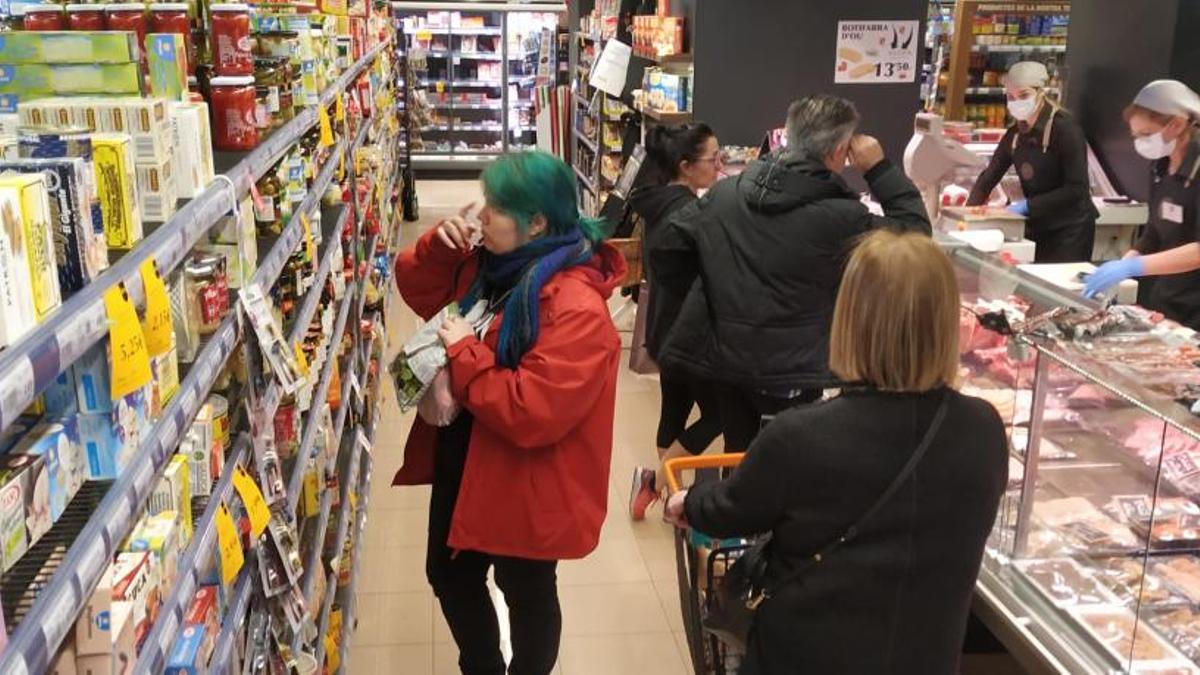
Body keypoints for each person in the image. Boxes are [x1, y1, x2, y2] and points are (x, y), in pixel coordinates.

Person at [665, 230, 1008, 675]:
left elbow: (732, 509)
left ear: (848, 318)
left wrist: (686, 503)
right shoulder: (983, 429)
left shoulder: (801, 437)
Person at [391, 151, 626, 675]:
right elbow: (416, 290)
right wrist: (436, 246)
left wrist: (464, 354)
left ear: (537, 222)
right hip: (469, 455)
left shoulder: (575, 308)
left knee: (527, 589)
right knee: (449, 575)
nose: (480, 213)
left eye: (496, 206)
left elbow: (533, 410)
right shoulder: (485, 266)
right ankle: (482, 666)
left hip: (528, 478)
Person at [652, 93, 931, 453]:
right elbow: (917, 238)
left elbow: (667, 248)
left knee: (738, 461)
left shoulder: (726, 194)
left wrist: (716, 290)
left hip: (731, 361)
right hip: (798, 369)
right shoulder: (844, 219)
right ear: (839, 152)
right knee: (788, 467)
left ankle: (728, 507)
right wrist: (878, 168)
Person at [625, 123, 724, 521]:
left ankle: (666, 494)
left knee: (674, 411)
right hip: (692, 333)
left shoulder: (659, 203)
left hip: (665, 328)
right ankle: (659, 486)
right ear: (685, 166)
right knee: (720, 414)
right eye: (713, 159)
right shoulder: (687, 213)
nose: (720, 166)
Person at [1085, 80, 1200, 329]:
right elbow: (1155, 230)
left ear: (1178, 124)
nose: (1141, 143)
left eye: (1147, 135)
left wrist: (1135, 266)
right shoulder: (1160, 166)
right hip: (1169, 300)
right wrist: (1128, 259)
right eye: (1136, 136)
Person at [967, 61, 1099, 263]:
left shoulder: (1065, 129)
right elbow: (989, 176)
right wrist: (968, 214)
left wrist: (1026, 206)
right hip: (1039, 225)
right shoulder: (1015, 134)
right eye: (1010, 97)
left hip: (1071, 229)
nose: (1017, 102)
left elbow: (1077, 189)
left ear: (1041, 93)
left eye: (1024, 95)